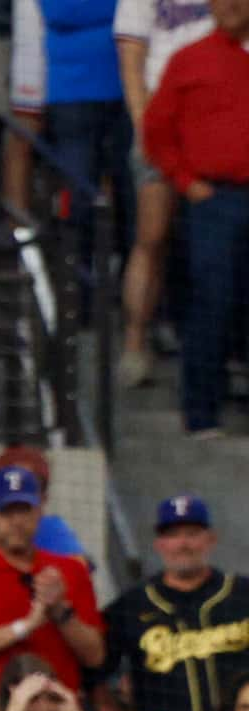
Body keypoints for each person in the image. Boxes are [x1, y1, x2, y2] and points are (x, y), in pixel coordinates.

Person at [141, 0, 249, 440]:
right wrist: (187, 182)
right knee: (211, 303)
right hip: (215, 200)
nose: (227, 5)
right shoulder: (188, 60)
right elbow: (156, 132)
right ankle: (201, 413)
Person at [104, 496, 249, 711]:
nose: (183, 544)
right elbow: (95, 676)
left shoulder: (242, 595)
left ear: (211, 539)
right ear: (159, 543)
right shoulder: (130, 606)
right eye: (173, 534)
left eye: (192, 534)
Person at [0, 465, 105, 698]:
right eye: (7, 512)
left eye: (24, 511)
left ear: (39, 512)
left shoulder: (70, 570)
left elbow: (94, 656)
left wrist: (61, 610)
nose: (16, 522)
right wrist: (24, 627)